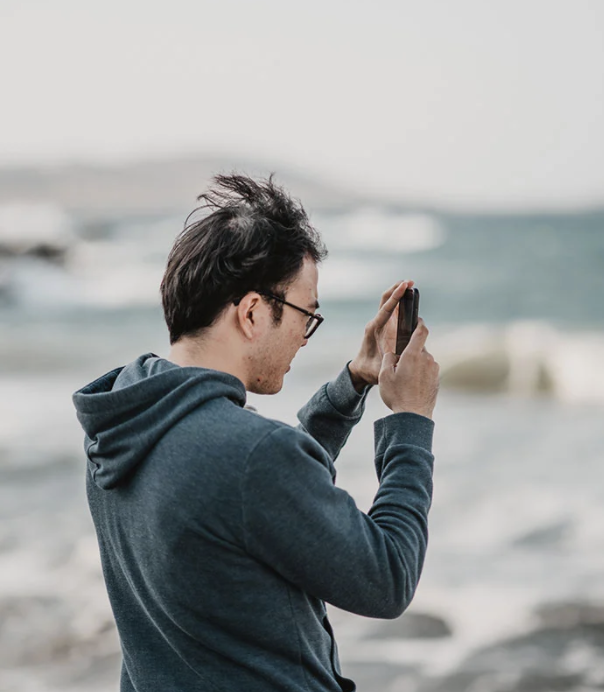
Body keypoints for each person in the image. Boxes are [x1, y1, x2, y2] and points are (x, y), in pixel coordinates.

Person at [72, 174, 440, 692]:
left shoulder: (121, 423)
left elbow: (248, 491)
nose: (305, 337)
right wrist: (411, 421)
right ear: (251, 312)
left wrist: (353, 381)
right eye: (305, 315)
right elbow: (387, 580)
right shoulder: (251, 457)